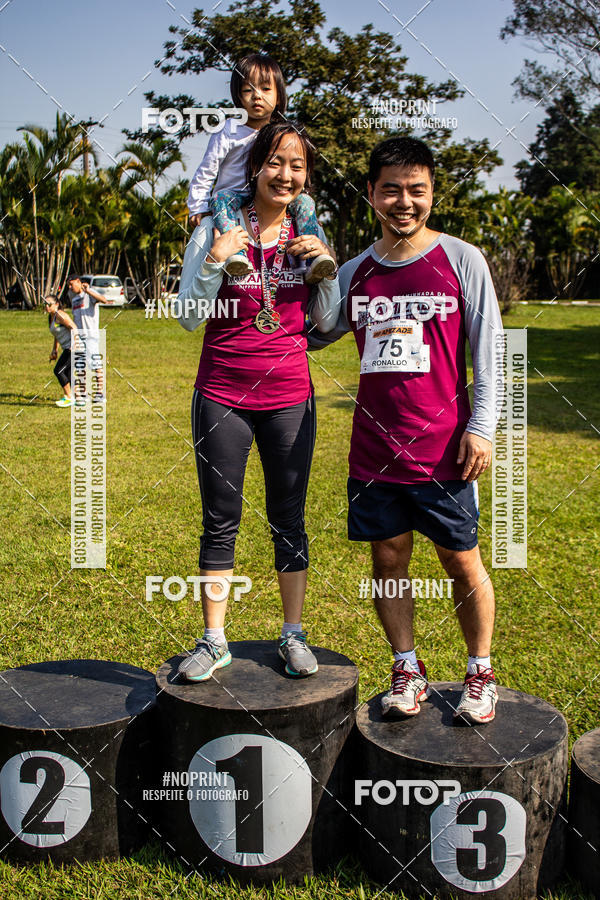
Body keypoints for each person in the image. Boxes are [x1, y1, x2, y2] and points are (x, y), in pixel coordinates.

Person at [308, 137, 503, 725]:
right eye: (391, 188)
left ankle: (480, 671)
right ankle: (407, 667)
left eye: (416, 189)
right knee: (389, 559)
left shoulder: (461, 260)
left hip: (445, 449)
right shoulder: (355, 270)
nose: (404, 201)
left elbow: (490, 347)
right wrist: (312, 270)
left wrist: (483, 427)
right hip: (374, 451)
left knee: (460, 559)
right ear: (371, 193)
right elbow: (318, 333)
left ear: (432, 193)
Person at [176, 121, 339, 683]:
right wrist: (217, 258)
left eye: (297, 166)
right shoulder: (218, 229)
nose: (286, 174)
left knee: (288, 518)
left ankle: (292, 633)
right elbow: (188, 314)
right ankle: (214, 639)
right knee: (220, 519)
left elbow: (326, 321)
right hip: (222, 393)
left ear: (306, 176)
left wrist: (326, 271)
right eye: (275, 162)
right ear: (255, 167)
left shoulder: (309, 234)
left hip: (290, 396)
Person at [187, 52, 336, 282]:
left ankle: (311, 258)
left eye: (266, 89)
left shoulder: (280, 133)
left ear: (279, 95)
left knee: (306, 201)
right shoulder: (229, 130)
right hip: (234, 195)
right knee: (220, 200)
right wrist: (198, 206)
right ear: (238, 95)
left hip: (270, 195)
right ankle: (236, 256)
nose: (257, 96)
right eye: (248, 90)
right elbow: (207, 169)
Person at [66, 276, 113, 403]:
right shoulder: (74, 299)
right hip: (79, 337)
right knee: (81, 366)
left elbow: (103, 300)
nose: (70, 288)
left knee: (96, 364)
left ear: (78, 282)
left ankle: (100, 393)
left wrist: (88, 291)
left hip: (90, 336)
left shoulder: (89, 294)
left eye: (71, 284)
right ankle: (83, 393)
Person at [45, 294, 77, 407]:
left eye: (49, 304)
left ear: (57, 304)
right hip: (67, 348)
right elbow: (57, 334)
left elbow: (74, 327)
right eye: (45, 304)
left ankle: (69, 397)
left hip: (74, 347)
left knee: (59, 370)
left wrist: (74, 345)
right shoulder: (51, 317)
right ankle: (79, 397)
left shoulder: (60, 315)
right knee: (67, 372)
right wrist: (55, 349)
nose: (46, 306)